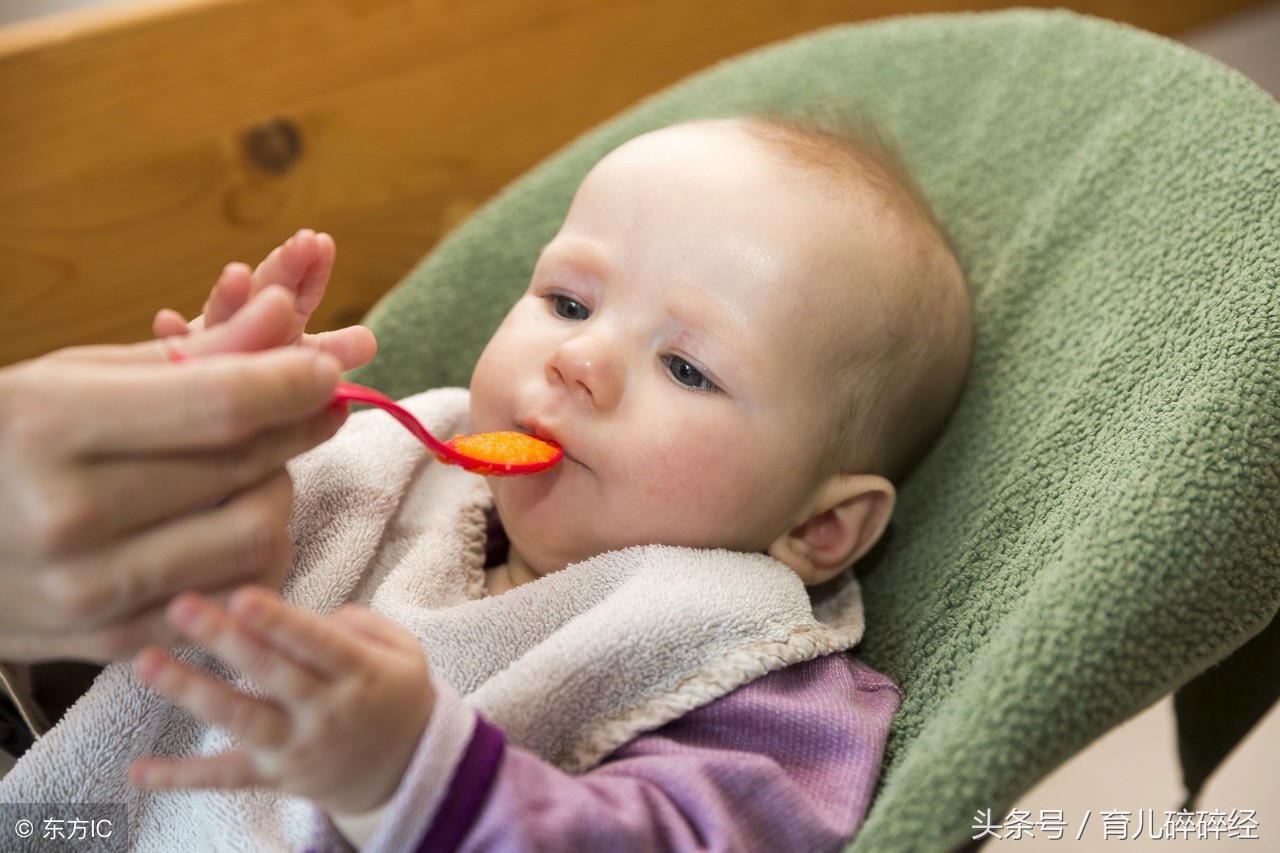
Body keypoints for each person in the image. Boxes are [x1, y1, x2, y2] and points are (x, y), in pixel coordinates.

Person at [15, 115, 971, 850]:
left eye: (688, 368)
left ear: (824, 527)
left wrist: (418, 777)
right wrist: (203, 465)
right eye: (567, 301)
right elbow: (122, 633)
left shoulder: (751, 675)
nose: (579, 358)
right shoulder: (384, 470)